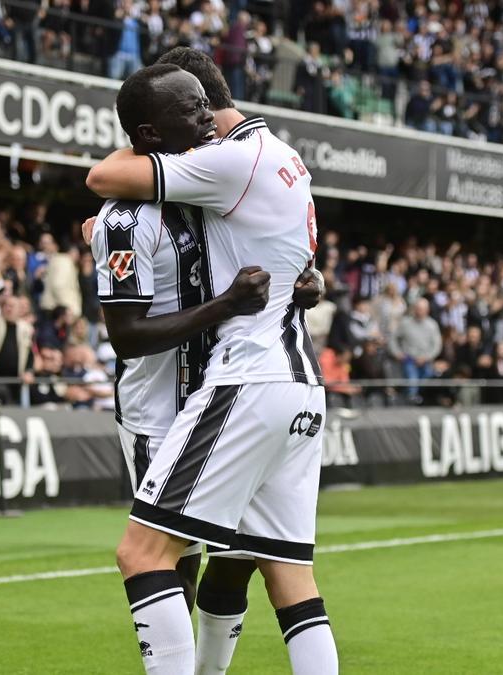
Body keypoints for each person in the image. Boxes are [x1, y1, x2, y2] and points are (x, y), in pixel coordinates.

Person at [88, 61, 337, 674]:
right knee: (231, 566)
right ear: (150, 133)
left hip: (244, 385)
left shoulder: (221, 170)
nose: (206, 121)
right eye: (188, 109)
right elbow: (104, 184)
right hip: (183, 401)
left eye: (205, 106)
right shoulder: (162, 203)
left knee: (171, 554)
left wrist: (297, 283)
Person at [390, 298, 441, 403]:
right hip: (409, 359)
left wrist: (427, 357)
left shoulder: (432, 325)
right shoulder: (405, 323)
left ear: (427, 310)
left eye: (422, 309)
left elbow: (437, 345)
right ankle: (410, 401)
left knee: (426, 380)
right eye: (418, 308)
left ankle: (420, 400)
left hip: (425, 360)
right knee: (412, 379)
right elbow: (393, 338)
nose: (419, 311)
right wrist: (397, 353)